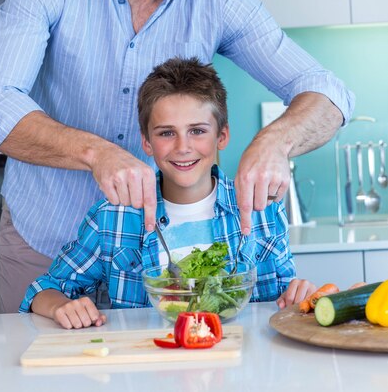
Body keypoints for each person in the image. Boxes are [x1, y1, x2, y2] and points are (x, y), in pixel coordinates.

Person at [0, 0, 354, 313]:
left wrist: (275, 142)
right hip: (43, 241)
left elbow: (328, 92)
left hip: (154, 263)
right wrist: (96, 153)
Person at [19, 57, 316, 329]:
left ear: (221, 136)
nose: (183, 147)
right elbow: (43, 290)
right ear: (147, 142)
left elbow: (283, 298)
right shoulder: (113, 216)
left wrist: (298, 294)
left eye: (197, 131)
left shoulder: (262, 209)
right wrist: (61, 306)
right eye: (166, 133)